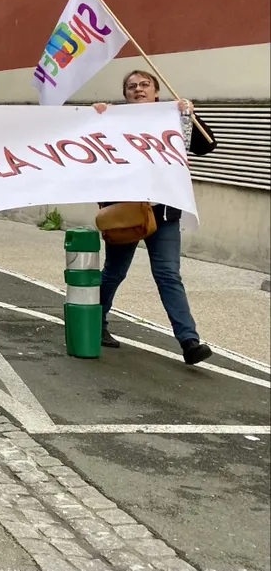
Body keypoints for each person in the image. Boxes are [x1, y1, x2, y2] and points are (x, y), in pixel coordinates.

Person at [92, 70, 217, 364]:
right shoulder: (112, 119)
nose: (138, 89)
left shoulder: (173, 118)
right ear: (125, 95)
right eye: (131, 86)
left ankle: (189, 341)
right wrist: (95, 117)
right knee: (114, 271)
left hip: (163, 212)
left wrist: (191, 115)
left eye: (145, 84)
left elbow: (207, 145)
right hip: (126, 212)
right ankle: (95, 323)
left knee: (168, 275)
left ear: (157, 92)